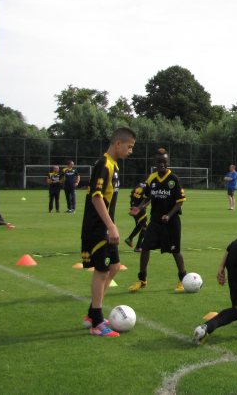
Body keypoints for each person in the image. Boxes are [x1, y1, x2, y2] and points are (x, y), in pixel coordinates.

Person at [80, 127, 136, 337]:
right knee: (102, 270)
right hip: (97, 228)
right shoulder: (104, 165)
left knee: (115, 266)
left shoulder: (114, 166)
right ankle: (96, 322)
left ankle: (92, 313)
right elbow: (96, 197)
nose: (130, 151)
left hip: (106, 226)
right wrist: (110, 225)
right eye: (129, 147)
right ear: (117, 143)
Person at [129, 149, 190, 293]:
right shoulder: (152, 178)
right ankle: (142, 280)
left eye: (164, 162)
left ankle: (182, 280)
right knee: (145, 248)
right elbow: (148, 197)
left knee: (176, 251)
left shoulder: (173, 179)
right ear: (155, 163)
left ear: (168, 163)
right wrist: (140, 207)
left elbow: (180, 202)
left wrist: (169, 215)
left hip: (172, 221)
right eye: (159, 162)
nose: (162, 164)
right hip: (155, 220)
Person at [124, 180, 148, 252]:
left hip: (133, 206)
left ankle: (130, 239)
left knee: (140, 225)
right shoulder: (149, 186)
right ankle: (138, 246)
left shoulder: (140, 184)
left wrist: (132, 205)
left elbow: (131, 194)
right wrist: (141, 207)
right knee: (145, 227)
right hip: (139, 208)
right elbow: (148, 198)